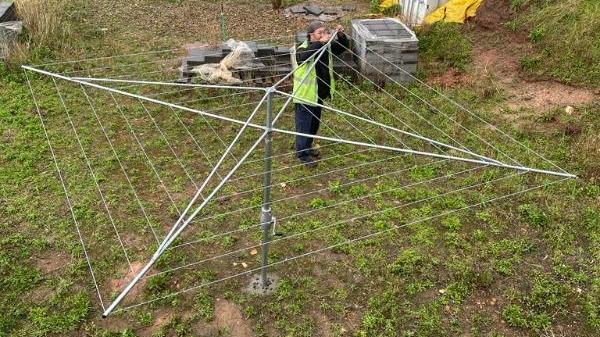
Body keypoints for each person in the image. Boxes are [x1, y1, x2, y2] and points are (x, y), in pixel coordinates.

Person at [292, 21, 350, 168]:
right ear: (311, 35)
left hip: (318, 95)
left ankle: (307, 145)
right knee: (304, 125)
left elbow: (342, 47)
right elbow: (303, 57)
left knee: (314, 124)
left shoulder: (326, 46)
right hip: (305, 96)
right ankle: (303, 154)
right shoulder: (302, 48)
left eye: (325, 32)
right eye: (320, 33)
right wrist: (321, 43)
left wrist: (341, 36)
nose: (324, 35)